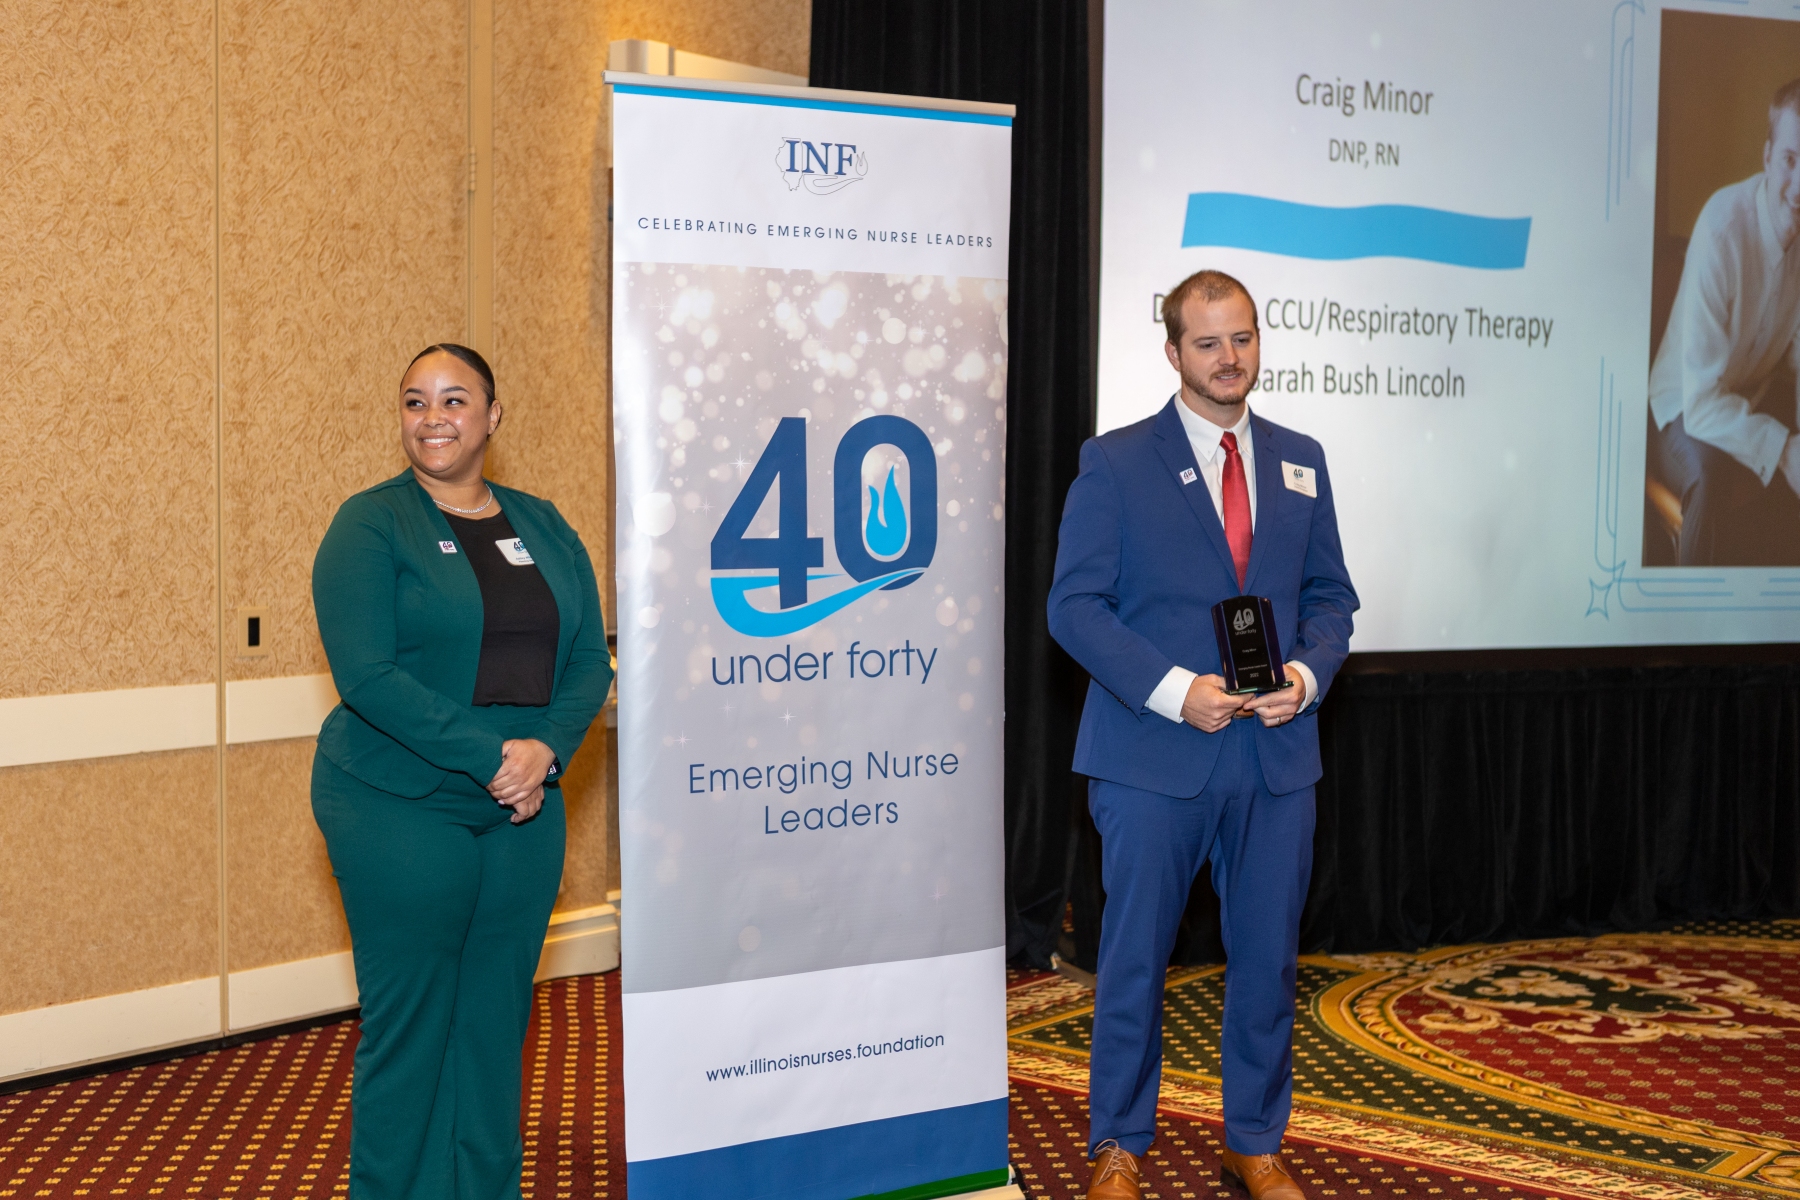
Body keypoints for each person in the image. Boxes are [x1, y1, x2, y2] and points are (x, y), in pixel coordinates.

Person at [1047, 271, 1358, 1200]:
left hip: (1275, 759)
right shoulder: (1114, 462)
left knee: (1267, 963)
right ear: (1174, 351)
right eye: (1209, 342)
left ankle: (1255, 1142)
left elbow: (1330, 598)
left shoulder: (1302, 458)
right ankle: (1117, 1146)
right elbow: (1074, 607)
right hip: (1153, 758)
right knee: (1134, 961)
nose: (1230, 358)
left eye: (1244, 338)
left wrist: (1305, 676)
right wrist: (1176, 691)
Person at [311, 343, 613, 1200]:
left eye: (453, 400)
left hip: (523, 806)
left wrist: (545, 748)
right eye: (415, 401)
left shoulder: (544, 525)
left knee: (493, 1022)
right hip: (397, 801)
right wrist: (493, 758)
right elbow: (368, 677)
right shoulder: (371, 525)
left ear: (492, 416)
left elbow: (587, 657)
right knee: (411, 1028)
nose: (433, 418)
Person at [1649, 77, 1800, 565]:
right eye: (1790, 160)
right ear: (1767, 157)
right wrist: (1785, 451)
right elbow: (1702, 405)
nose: (1799, 187)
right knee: (1710, 477)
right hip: (1682, 407)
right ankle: (1693, 615)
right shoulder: (1723, 230)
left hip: (1747, 398)